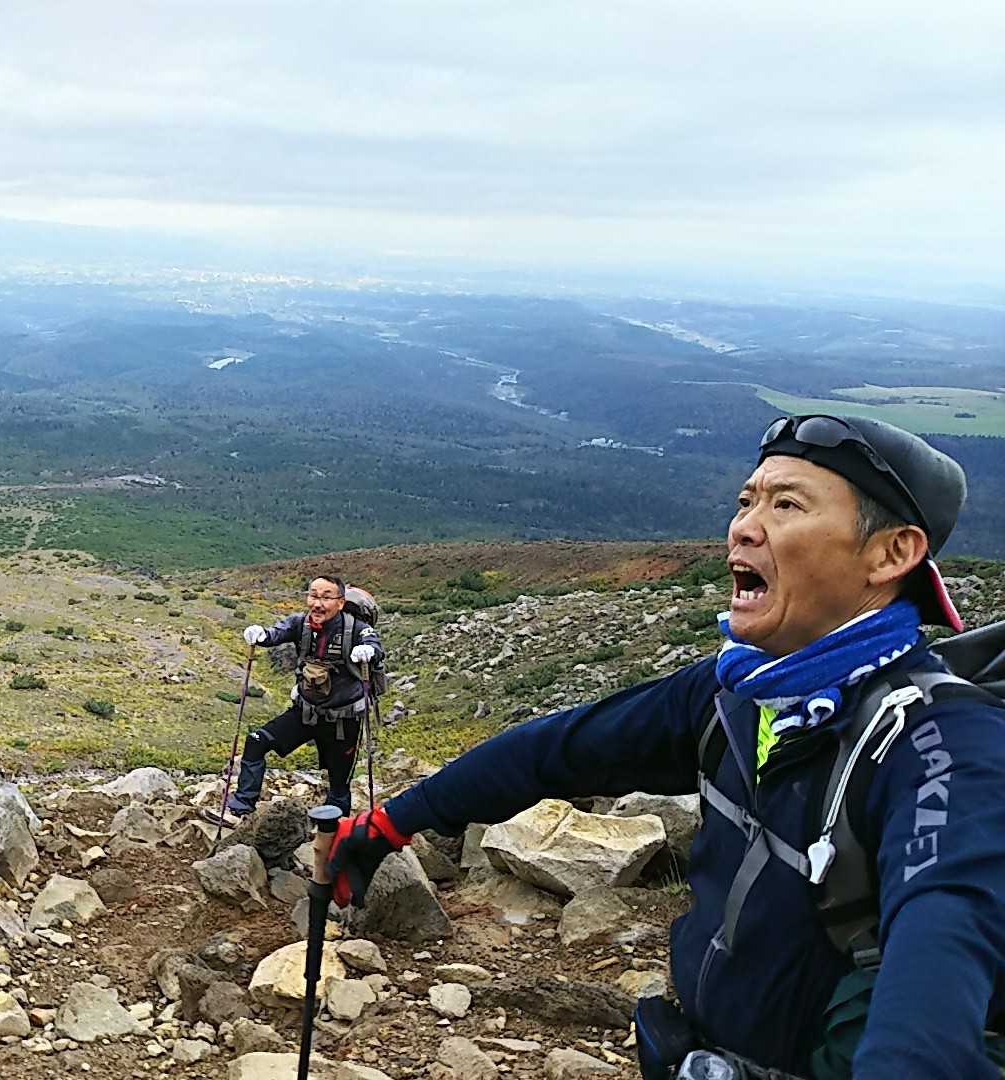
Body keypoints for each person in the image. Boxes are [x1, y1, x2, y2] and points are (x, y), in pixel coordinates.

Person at [327, 414, 1005, 1079]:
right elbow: (553, 751)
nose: (744, 527)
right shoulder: (736, 693)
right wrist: (392, 823)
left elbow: (940, 970)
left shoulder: (942, 746)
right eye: (746, 501)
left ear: (891, 554)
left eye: (786, 505)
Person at [205, 574, 385, 827]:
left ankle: (331, 834)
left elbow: (374, 644)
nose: (318, 603)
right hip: (305, 712)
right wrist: (261, 635)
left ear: (341, 602)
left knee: (339, 782)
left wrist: (369, 651)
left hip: (343, 721)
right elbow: (276, 633)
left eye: (326, 597)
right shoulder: (301, 624)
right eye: (313, 596)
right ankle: (240, 808)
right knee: (256, 742)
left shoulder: (356, 629)